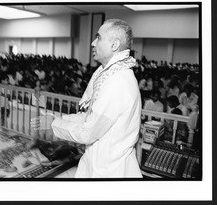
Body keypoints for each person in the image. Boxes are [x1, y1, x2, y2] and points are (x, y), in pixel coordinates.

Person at [31, 19, 142, 178]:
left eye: (99, 38)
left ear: (114, 45)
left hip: (109, 170)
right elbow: (90, 118)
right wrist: (58, 118)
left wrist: (54, 124)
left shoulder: (118, 82)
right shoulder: (111, 75)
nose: (92, 42)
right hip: (99, 163)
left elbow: (87, 132)